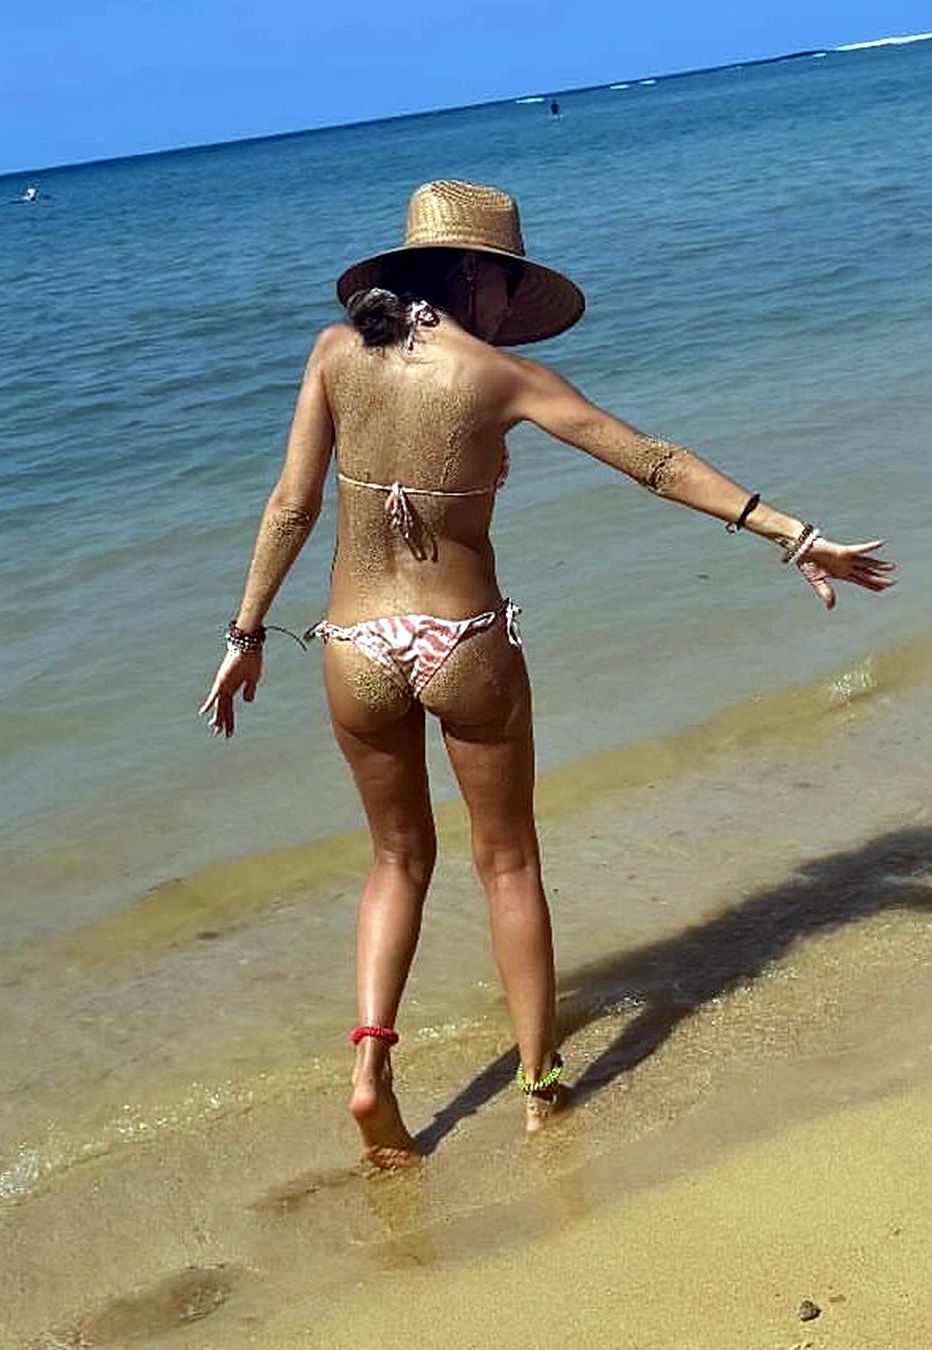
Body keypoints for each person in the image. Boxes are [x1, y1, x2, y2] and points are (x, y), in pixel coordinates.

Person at [200, 180, 894, 1168]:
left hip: (354, 645)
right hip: (461, 641)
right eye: (507, 283)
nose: (510, 303)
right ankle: (539, 1091)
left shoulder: (332, 352)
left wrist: (246, 634)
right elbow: (652, 462)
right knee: (508, 863)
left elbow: (288, 507)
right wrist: (791, 534)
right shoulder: (502, 378)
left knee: (395, 860)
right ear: (472, 274)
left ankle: (370, 1070)